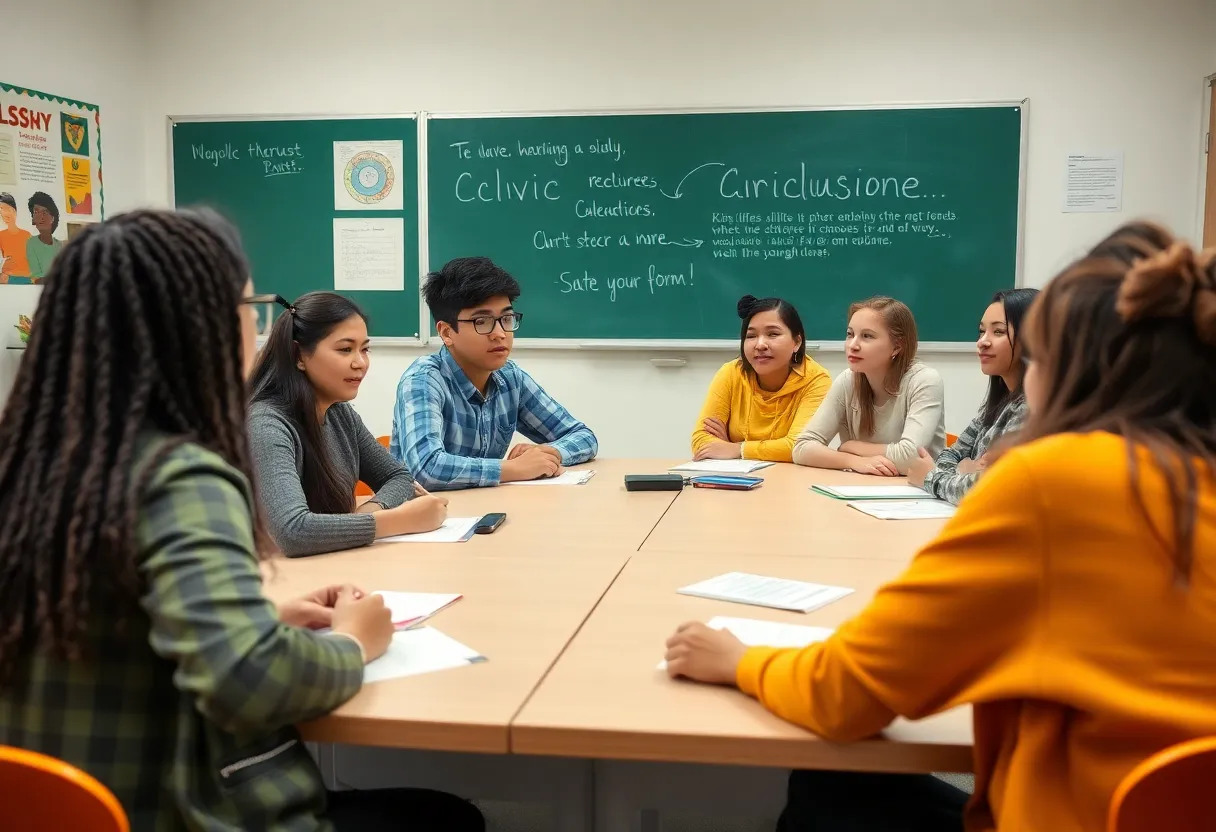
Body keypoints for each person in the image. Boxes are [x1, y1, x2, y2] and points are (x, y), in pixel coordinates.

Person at [662, 221, 1216, 832]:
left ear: (1060, 367)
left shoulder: (1053, 483)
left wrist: (739, 660)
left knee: (829, 783)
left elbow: (850, 694)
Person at [0, 208, 484, 831]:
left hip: (63, 804)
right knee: (444, 820)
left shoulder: (33, 463)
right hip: (177, 807)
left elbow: (104, 623)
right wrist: (352, 643)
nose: (256, 325)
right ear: (195, 324)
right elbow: (247, 679)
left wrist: (255, 618)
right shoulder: (180, 476)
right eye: (248, 303)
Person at [249, 291, 449, 557]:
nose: (361, 363)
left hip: (327, 567)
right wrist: (400, 520)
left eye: (364, 349)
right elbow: (293, 532)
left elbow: (398, 477)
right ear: (298, 355)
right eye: (345, 349)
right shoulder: (265, 424)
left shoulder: (340, 413)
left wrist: (369, 512)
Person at [392, 256, 598, 490]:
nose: (500, 333)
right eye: (482, 321)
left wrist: (548, 453)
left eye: (506, 319)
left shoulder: (510, 378)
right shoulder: (424, 380)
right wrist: (516, 469)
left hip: (488, 509)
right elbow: (426, 468)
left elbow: (583, 436)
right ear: (447, 332)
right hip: (427, 518)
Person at [907, 288, 1040, 504]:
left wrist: (931, 479)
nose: (982, 342)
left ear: (1033, 339)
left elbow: (990, 489)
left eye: (998, 332)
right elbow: (948, 456)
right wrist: (966, 469)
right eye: (981, 331)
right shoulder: (996, 404)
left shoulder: (1031, 409)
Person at [792, 297, 945, 475]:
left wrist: (852, 446)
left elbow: (911, 458)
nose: (853, 345)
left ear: (897, 346)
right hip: (863, 490)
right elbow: (802, 448)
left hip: (918, 495)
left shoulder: (924, 380)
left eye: (867, 336)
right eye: (850, 334)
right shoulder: (848, 380)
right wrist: (853, 460)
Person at [691, 295, 831, 462]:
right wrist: (767, 450)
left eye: (773, 334)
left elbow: (799, 446)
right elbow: (701, 440)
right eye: (751, 336)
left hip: (791, 480)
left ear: (797, 342)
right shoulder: (730, 373)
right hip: (736, 479)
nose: (760, 345)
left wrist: (736, 448)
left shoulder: (816, 381)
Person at [25, 191, 64, 281]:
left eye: (45, 212)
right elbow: (37, 277)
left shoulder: (60, 245)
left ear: (53, 217)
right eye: (36, 212)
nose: (41, 217)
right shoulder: (31, 243)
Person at [0, 192, 31, 281]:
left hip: (27, 278)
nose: (4, 213)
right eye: (1, 210)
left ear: (14, 211)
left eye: (7, 209)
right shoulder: (1, 235)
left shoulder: (27, 235)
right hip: (9, 278)